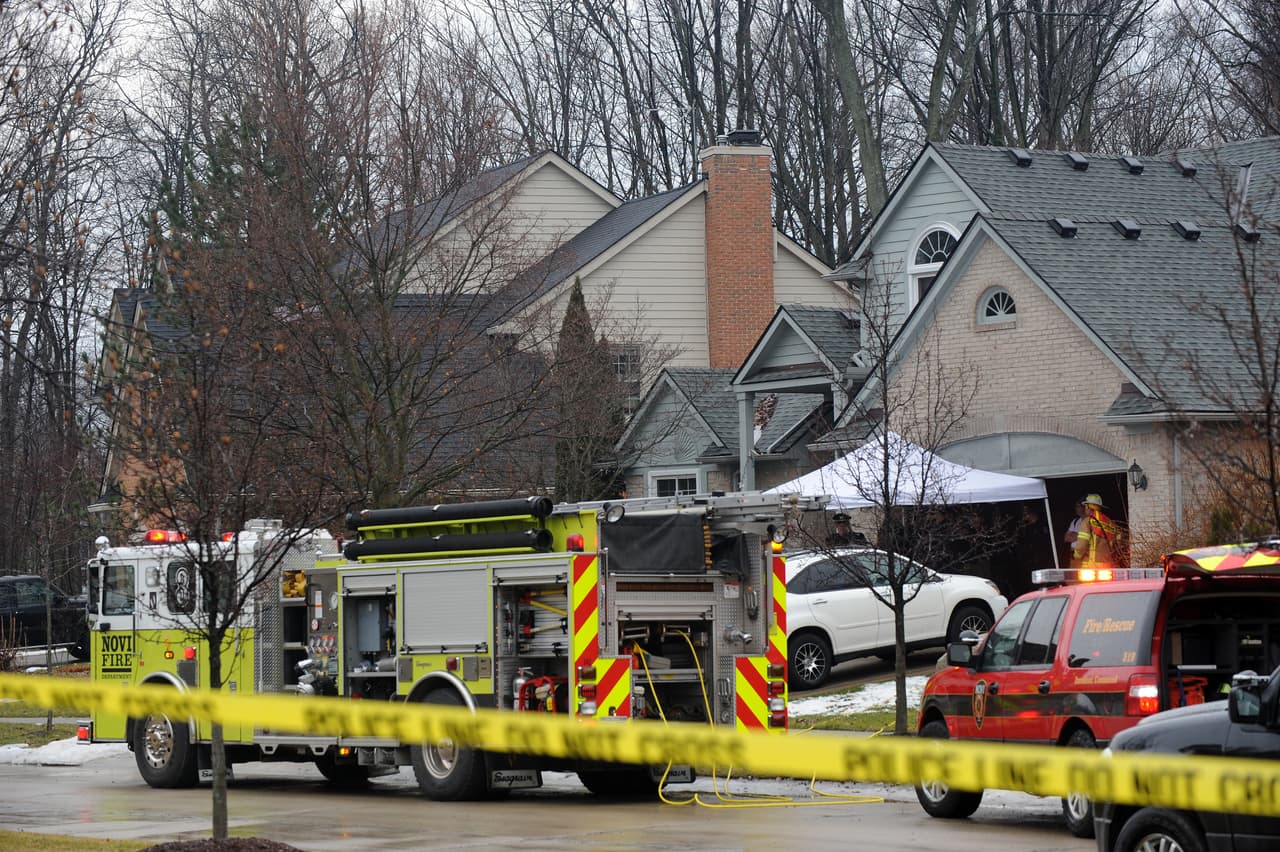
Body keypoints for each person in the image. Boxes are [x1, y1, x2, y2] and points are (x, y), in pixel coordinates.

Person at [1073, 493, 1123, 571]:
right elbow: (1118, 545)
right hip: (1108, 566)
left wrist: (1076, 556)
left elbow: (1081, 545)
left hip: (1091, 567)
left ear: (1088, 507)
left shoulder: (1087, 521)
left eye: (1085, 506)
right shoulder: (1111, 524)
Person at [1063, 498, 1086, 568]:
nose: (1076, 508)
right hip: (1073, 556)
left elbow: (1087, 537)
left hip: (1085, 556)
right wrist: (1080, 535)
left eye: (1078, 506)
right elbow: (1066, 538)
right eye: (1075, 506)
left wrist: (1075, 534)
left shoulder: (1089, 520)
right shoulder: (1075, 521)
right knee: (1073, 574)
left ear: (1084, 507)